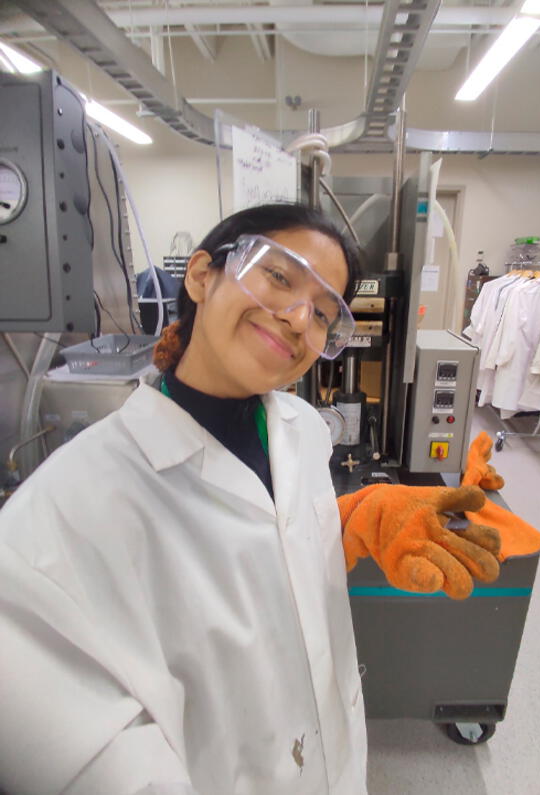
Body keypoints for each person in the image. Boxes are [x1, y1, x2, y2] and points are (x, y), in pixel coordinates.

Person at [0, 203, 367, 795]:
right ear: (201, 275)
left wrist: (352, 522)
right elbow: (92, 762)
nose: (301, 320)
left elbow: (275, 556)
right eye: (279, 277)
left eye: (324, 313)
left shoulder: (302, 430)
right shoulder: (63, 512)